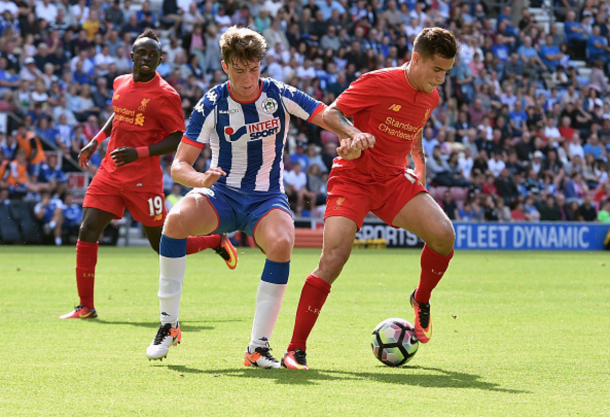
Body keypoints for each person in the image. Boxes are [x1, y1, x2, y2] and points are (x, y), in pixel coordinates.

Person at [144, 26, 362, 368]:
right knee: (174, 221)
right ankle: (168, 325)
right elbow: (178, 166)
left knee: (282, 243)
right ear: (225, 65)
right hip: (221, 195)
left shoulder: (278, 94)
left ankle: (257, 348)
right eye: (240, 70)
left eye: (254, 69)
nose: (248, 79)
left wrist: (352, 133)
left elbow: (325, 114)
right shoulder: (212, 103)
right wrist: (200, 178)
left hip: (265, 199)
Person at [283, 27, 458, 370]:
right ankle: (295, 349)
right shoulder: (377, 81)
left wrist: (418, 163)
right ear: (416, 58)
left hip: (393, 181)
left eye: (447, 72)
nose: (440, 80)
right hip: (353, 179)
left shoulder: (431, 95)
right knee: (334, 259)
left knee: (444, 235)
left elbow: (415, 126)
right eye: (437, 70)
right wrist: (353, 133)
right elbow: (332, 114)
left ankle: (420, 299)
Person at [60, 30, 237, 320]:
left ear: (160, 60)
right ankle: (86, 306)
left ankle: (215, 241)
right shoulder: (120, 83)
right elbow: (118, 113)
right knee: (88, 230)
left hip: (144, 179)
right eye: (141, 53)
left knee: (161, 244)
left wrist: (138, 152)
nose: (146, 58)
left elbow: (177, 137)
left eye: (152, 55)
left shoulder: (166, 95)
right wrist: (96, 141)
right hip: (110, 172)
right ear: (131, 55)